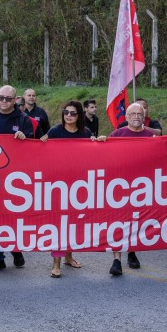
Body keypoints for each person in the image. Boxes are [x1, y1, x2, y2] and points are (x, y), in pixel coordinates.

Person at [40, 100, 103, 277]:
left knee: (73, 223)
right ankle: (56, 263)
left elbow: (92, 157)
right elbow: (42, 154)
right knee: (59, 223)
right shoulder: (55, 131)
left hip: (78, 184)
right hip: (58, 185)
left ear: (79, 115)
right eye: (66, 112)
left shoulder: (86, 133)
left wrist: (95, 142)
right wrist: (42, 142)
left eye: (73, 113)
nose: (68, 115)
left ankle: (69, 257)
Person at [0, 85, 33, 273]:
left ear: (15, 100)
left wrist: (24, 138)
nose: (3, 101)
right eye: (1, 98)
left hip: (14, 175)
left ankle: (16, 249)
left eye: (8, 99)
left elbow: (33, 145)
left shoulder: (23, 119)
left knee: (13, 216)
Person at [105, 102, 155, 275]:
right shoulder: (117, 134)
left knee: (136, 221)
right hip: (119, 185)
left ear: (144, 117)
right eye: (132, 114)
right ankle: (116, 260)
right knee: (118, 222)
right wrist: (101, 141)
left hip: (142, 186)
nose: (136, 117)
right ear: (126, 117)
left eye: (139, 114)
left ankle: (132, 252)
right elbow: (105, 155)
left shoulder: (151, 136)